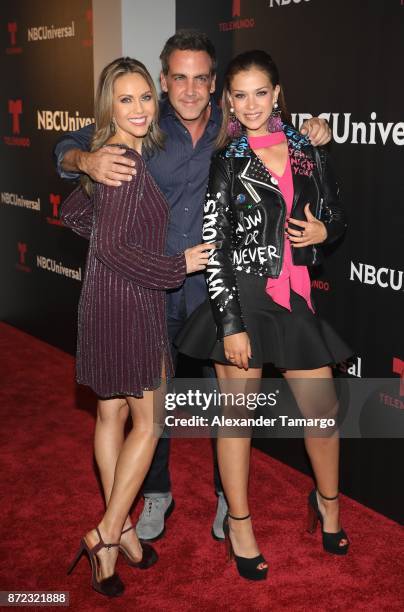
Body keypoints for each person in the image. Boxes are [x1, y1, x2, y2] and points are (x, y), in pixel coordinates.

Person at [54, 30, 332, 542]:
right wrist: (85, 162)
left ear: (214, 85)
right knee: (150, 408)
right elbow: (70, 144)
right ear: (163, 81)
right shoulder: (142, 123)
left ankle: (230, 500)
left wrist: (314, 128)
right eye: (178, 78)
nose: (188, 90)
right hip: (151, 290)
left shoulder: (232, 127)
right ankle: (154, 495)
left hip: (214, 293)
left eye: (200, 78)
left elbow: (279, 127)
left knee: (223, 400)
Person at [176, 50, 351, 581]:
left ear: (278, 94)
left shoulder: (305, 147)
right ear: (228, 100)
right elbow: (216, 243)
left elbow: (334, 213)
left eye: (261, 93)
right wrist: (230, 324)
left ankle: (328, 504)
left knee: (322, 415)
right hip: (243, 296)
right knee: (237, 424)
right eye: (240, 95)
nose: (251, 105)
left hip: (293, 298)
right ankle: (241, 524)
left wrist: (325, 232)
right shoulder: (226, 161)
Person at [62, 57, 210, 597]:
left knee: (111, 414)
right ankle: (105, 533)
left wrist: (89, 172)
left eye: (146, 96)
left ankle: (121, 526)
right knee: (148, 421)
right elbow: (114, 245)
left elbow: (76, 216)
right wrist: (180, 265)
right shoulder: (122, 161)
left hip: (101, 300)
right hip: (131, 303)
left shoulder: (111, 158)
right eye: (125, 100)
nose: (140, 108)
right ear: (109, 107)